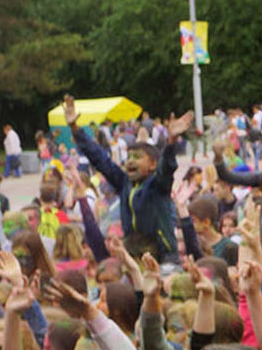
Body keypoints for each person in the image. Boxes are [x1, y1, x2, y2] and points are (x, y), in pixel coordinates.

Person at [65, 95, 193, 262]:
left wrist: (171, 143)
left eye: (137, 157)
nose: (130, 160)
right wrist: (75, 128)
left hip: (163, 257)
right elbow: (100, 159)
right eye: (129, 156)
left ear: (153, 164)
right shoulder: (124, 183)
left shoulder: (158, 186)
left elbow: (167, 169)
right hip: (133, 254)